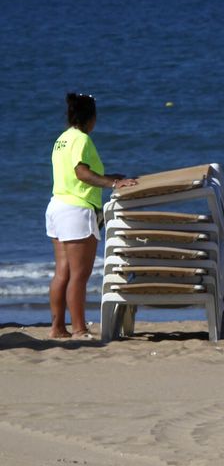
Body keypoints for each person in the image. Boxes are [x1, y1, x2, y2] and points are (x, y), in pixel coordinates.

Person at [47, 93, 137, 339]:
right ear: (91, 118)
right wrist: (112, 185)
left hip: (56, 206)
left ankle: (57, 328)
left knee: (62, 272)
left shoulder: (62, 139)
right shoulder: (82, 139)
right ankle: (79, 329)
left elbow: (78, 172)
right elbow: (81, 173)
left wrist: (112, 177)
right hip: (76, 210)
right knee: (79, 274)